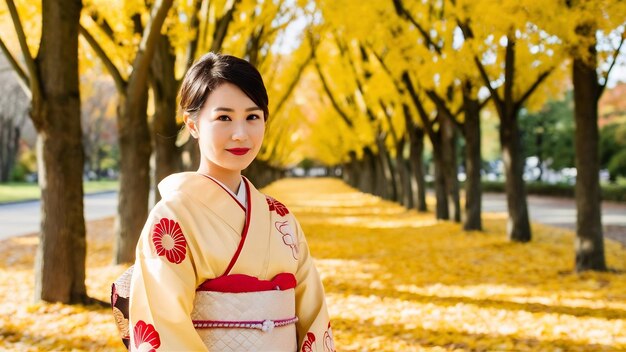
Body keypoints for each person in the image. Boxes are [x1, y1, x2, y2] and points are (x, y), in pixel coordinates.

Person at [110, 52, 335, 352]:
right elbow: (164, 324)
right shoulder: (172, 219)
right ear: (192, 125)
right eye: (224, 117)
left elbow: (313, 315)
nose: (241, 134)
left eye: (253, 117)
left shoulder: (279, 218)